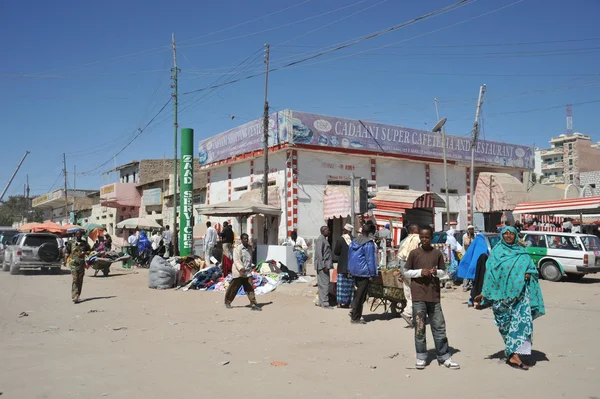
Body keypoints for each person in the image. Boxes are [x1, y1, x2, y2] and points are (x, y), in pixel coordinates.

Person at [474, 226, 546, 371]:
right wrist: (484, 293)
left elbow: (532, 269)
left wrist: (528, 274)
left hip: (519, 297)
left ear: (515, 236)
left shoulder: (522, 253)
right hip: (500, 298)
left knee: (521, 324)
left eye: (511, 233)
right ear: (501, 235)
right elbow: (489, 275)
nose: (508, 236)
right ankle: (512, 353)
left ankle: (514, 356)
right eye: (505, 233)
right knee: (505, 326)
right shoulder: (496, 253)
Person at [403, 226, 460, 370]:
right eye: (422, 237)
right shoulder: (414, 254)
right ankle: (421, 356)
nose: (424, 240)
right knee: (420, 327)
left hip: (434, 296)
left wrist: (436, 273)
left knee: (439, 327)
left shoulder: (437, 253)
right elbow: (406, 272)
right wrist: (420, 272)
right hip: (419, 296)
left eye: (427, 237)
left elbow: (445, 273)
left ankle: (444, 356)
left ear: (431, 237)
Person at [348, 222, 378, 324]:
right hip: (364, 272)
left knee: (358, 294)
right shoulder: (368, 243)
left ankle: (354, 312)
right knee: (361, 295)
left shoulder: (354, 241)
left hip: (355, 271)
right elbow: (370, 260)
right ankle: (355, 317)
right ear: (370, 232)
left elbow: (350, 257)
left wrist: (350, 270)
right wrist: (373, 273)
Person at [224, 233, 261, 311]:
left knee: (250, 288)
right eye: (244, 239)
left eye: (247, 238)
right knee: (234, 288)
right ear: (241, 240)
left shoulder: (250, 248)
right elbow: (236, 260)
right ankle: (227, 302)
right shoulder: (237, 248)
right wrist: (241, 268)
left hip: (247, 272)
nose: (246, 240)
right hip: (239, 272)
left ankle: (253, 303)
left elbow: (250, 260)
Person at [397, 224, 421, 326]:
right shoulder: (418, 240)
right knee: (415, 295)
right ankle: (407, 313)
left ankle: (411, 316)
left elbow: (399, 257)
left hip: (404, 271)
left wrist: (400, 273)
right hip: (413, 272)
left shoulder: (403, 241)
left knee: (408, 295)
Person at [457, 233, 489, 304]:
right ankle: (481, 300)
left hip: (474, 269)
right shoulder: (484, 244)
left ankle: (472, 299)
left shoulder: (474, 244)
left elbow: (467, 256)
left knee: (475, 284)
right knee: (482, 284)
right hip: (483, 270)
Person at [66, 230, 91, 304]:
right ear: (75, 235)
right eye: (77, 234)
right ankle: (74, 296)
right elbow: (67, 251)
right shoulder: (71, 242)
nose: (79, 235)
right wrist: (65, 260)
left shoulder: (84, 243)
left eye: (80, 234)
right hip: (73, 264)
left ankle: (78, 295)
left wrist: (85, 252)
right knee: (75, 279)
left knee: (80, 280)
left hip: (81, 264)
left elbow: (89, 251)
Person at [334, 223, 354, 308]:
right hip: (351, 267)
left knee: (341, 286)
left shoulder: (341, 239)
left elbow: (336, 252)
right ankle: (349, 303)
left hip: (342, 266)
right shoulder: (354, 240)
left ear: (345, 230)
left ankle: (340, 302)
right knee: (350, 286)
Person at [314, 225, 333, 309]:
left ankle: (322, 302)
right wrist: (323, 266)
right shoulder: (320, 240)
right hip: (323, 266)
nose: (329, 232)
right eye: (327, 230)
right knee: (325, 284)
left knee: (322, 284)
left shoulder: (324, 239)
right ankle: (325, 302)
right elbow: (319, 254)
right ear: (323, 231)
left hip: (324, 265)